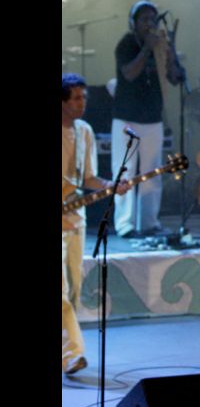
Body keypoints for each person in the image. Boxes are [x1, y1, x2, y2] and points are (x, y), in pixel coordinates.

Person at [62, 73, 128, 374]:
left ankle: (65, 348)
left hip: (76, 218)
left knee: (75, 288)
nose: (83, 103)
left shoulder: (85, 131)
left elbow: (88, 178)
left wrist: (109, 185)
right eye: (76, 98)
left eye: (84, 97)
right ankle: (71, 354)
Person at [111, 0, 184, 238]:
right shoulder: (126, 44)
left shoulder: (160, 45)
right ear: (134, 24)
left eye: (153, 19)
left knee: (152, 171)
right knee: (125, 172)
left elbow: (175, 78)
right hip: (127, 118)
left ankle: (149, 222)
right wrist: (146, 49)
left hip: (153, 117)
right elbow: (129, 74)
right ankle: (125, 224)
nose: (149, 24)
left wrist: (170, 51)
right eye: (144, 20)